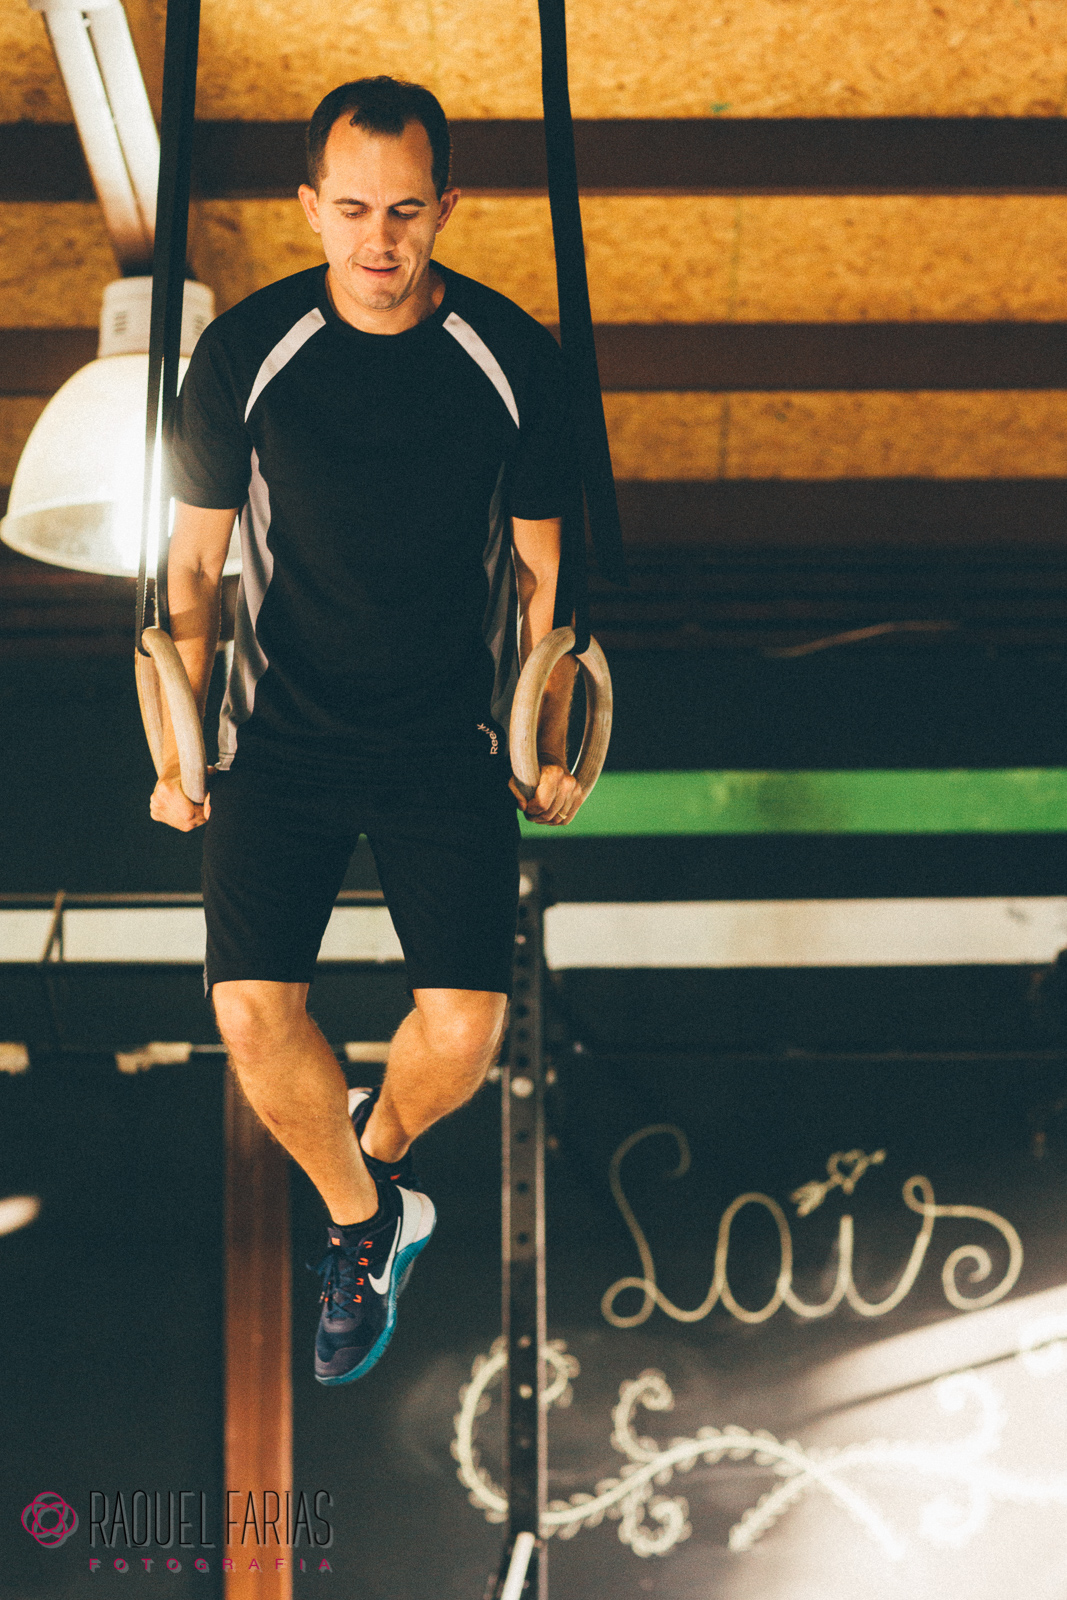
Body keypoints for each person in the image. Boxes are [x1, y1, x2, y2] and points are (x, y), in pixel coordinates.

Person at [149, 76, 586, 1385]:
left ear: (446, 206)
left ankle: (378, 1171)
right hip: (278, 733)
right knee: (249, 1013)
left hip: (445, 737)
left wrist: (547, 734)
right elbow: (192, 570)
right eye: (351, 210)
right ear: (310, 207)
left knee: (464, 1030)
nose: (377, 239)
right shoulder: (247, 353)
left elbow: (543, 579)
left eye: (403, 210)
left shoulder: (512, 360)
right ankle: (360, 1219)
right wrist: (176, 748)